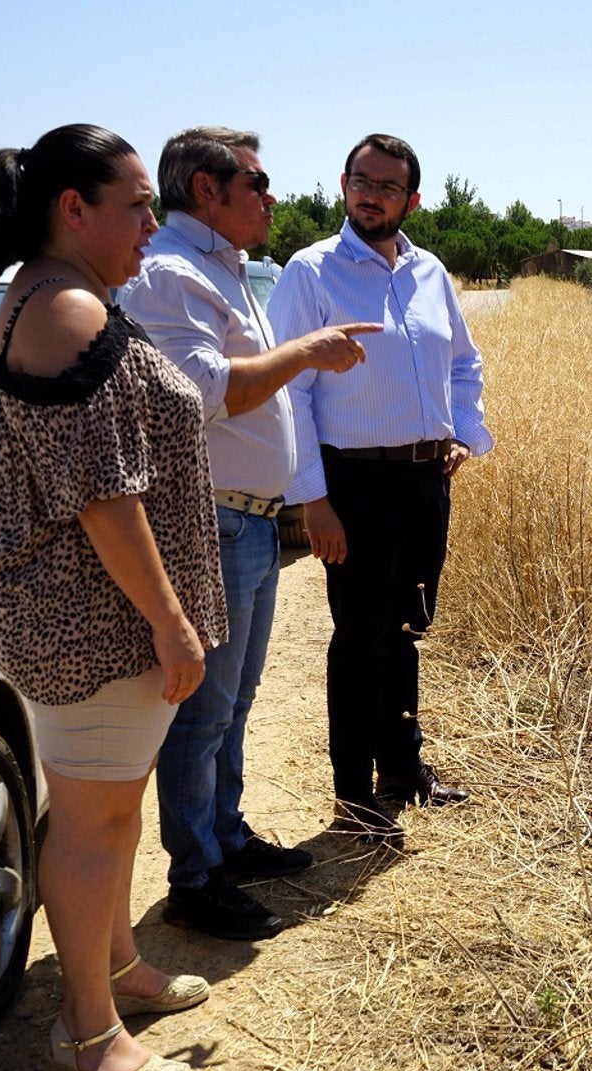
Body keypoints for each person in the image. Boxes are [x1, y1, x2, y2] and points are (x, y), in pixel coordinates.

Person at [0, 124, 220, 1071]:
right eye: (139, 205)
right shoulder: (62, 310)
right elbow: (104, 497)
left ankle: (117, 969)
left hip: (100, 619)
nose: (155, 222)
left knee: (112, 803)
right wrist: (171, 618)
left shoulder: (65, 295)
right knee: (93, 820)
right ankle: (87, 1032)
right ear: (75, 207)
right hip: (92, 621)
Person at [119, 127, 381, 939]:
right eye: (257, 185)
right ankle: (196, 874)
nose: (271, 199)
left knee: (235, 702)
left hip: (250, 523)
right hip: (217, 521)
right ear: (206, 189)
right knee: (205, 712)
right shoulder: (169, 274)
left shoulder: (218, 268)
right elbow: (201, 393)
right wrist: (307, 351)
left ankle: (224, 838)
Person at [267, 134, 491, 843]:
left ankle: (402, 769)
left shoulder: (429, 271)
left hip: (427, 479)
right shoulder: (313, 273)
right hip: (354, 484)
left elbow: (463, 361)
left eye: (388, 186)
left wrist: (462, 432)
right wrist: (315, 500)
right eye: (361, 181)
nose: (372, 194)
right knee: (358, 638)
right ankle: (353, 796)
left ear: (411, 199)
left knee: (405, 628)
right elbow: (289, 394)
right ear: (342, 186)